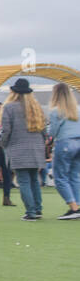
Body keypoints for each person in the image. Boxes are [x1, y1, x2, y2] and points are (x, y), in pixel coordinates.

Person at [0, 79, 49, 221]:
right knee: (34, 179)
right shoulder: (36, 107)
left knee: (24, 181)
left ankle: (31, 212)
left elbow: (6, 130)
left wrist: (3, 144)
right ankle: (38, 209)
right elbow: (45, 131)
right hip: (36, 148)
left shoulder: (9, 107)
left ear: (14, 92)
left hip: (18, 148)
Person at [47, 83, 80, 219]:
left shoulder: (56, 111)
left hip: (65, 143)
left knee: (60, 177)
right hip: (79, 142)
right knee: (75, 176)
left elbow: (53, 132)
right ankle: (78, 205)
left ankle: (73, 208)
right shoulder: (77, 109)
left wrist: (48, 140)